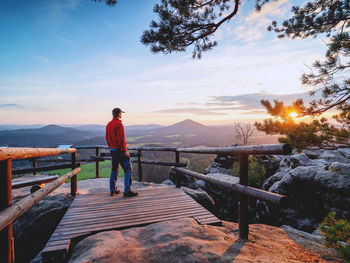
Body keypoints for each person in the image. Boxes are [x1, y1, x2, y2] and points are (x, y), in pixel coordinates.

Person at [106, 108, 138, 197]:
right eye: (121, 113)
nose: (121, 115)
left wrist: (111, 147)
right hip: (119, 150)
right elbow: (121, 139)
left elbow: (107, 138)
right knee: (128, 169)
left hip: (113, 150)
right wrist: (125, 151)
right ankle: (127, 191)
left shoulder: (109, 124)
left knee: (114, 169)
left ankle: (112, 190)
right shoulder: (119, 124)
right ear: (119, 114)